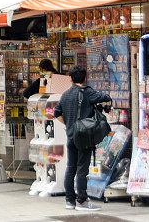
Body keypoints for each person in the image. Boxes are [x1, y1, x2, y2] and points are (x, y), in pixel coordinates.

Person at [53, 65, 112, 211]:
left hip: (71, 135)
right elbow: (105, 97)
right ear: (84, 78)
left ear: (71, 79)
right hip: (84, 137)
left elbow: (56, 112)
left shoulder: (65, 94)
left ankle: (69, 201)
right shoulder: (87, 92)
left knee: (71, 167)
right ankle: (82, 201)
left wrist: (68, 124)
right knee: (82, 169)